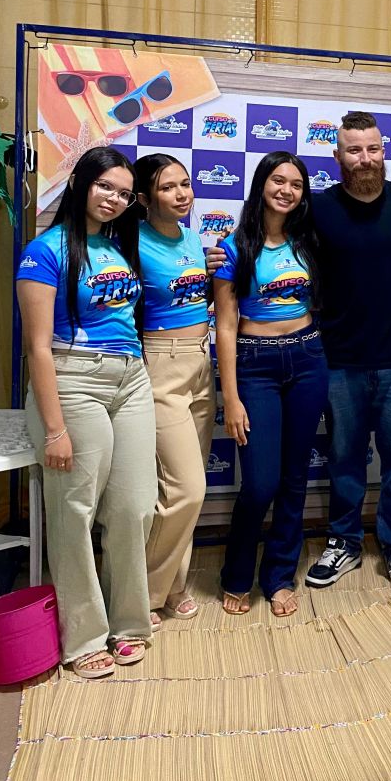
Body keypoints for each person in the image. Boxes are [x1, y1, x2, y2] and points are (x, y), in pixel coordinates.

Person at [16, 147, 155, 678]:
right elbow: (37, 347)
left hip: (131, 377)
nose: (114, 199)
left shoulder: (116, 247)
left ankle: (129, 623)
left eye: (124, 193)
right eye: (105, 187)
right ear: (78, 183)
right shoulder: (44, 250)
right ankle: (84, 637)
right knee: (74, 512)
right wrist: (54, 429)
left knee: (135, 507)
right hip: (73, 380)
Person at [305, 112, 391, 603]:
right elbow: (271, 247)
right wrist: (224, 257)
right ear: (337, 155)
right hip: (339, 357)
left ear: (385, 151)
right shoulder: (317, 208)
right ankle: (343, 541)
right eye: (354, 150)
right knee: (344, 457)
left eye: (373, 149)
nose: (365, 158)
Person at [213, 151, 328, 616]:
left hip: (307, 358)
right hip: (254, 364)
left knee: (295, 478)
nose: (286, 190)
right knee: (260, 484)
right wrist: (231, 397)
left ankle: (279, 576)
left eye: (296, 184)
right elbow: (225, 326)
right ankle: (237, 575)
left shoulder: (310, 241)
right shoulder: (234, 246)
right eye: (278, 181)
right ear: (262, 184)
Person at [135, 154, 216, 627]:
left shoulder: (190, 236)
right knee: (185, 487)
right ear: (145, 198)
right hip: (159, 365)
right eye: (168, 188)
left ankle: (175, 585)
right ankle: (142, 596)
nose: (182, 194)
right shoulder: (130, 241)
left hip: (201, 362)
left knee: (187, 488)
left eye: (185, 184)